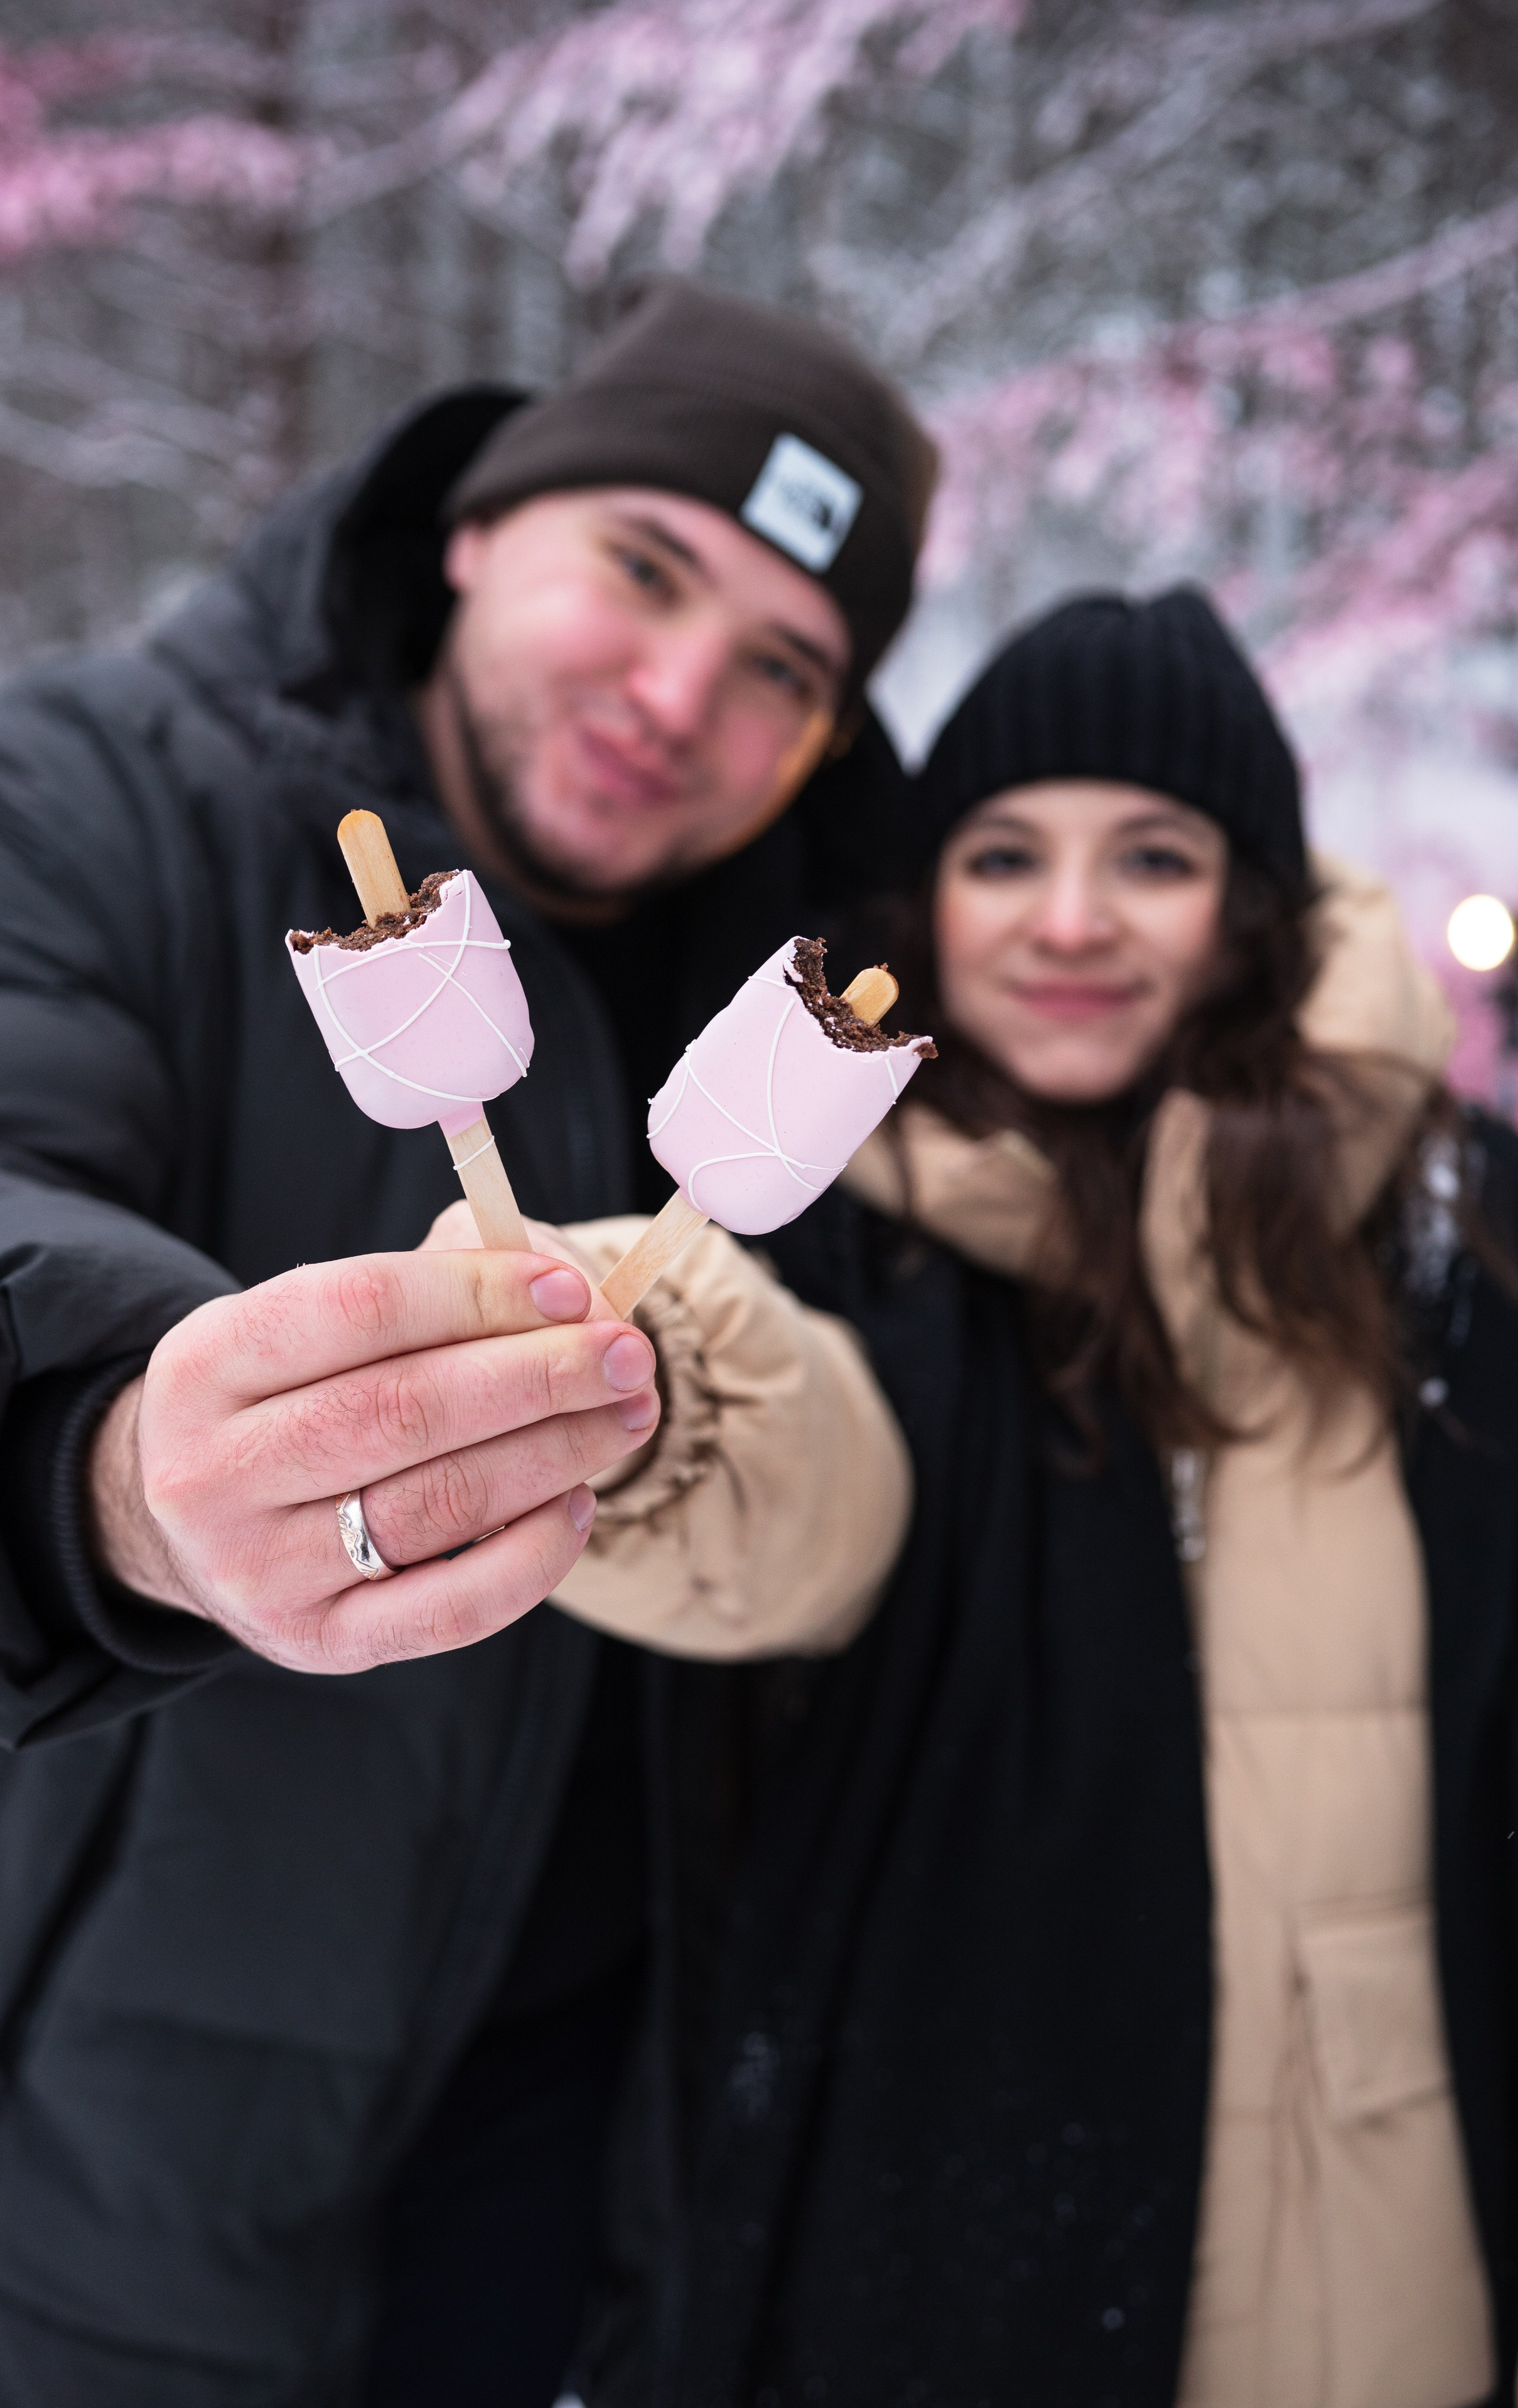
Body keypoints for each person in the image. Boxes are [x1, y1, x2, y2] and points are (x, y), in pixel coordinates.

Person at [0, 280, 934, 2405]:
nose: (678, 695)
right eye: (644, 569)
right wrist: (115, 1462)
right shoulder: (95, 795)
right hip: (104, 2158)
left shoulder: (836, 997)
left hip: (590, 2170)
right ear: (482, 520)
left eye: (781, 673)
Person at [589, 590, 1518, 2408]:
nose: (1072, 921)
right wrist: (636, 1392)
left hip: (1413, 2242)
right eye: (1005, 854)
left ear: (1250, 901)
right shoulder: (856, 1235)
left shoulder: (1454, 1225)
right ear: (927, 895)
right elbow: (794, 1471)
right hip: (971, 2228)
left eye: (1151, 857)